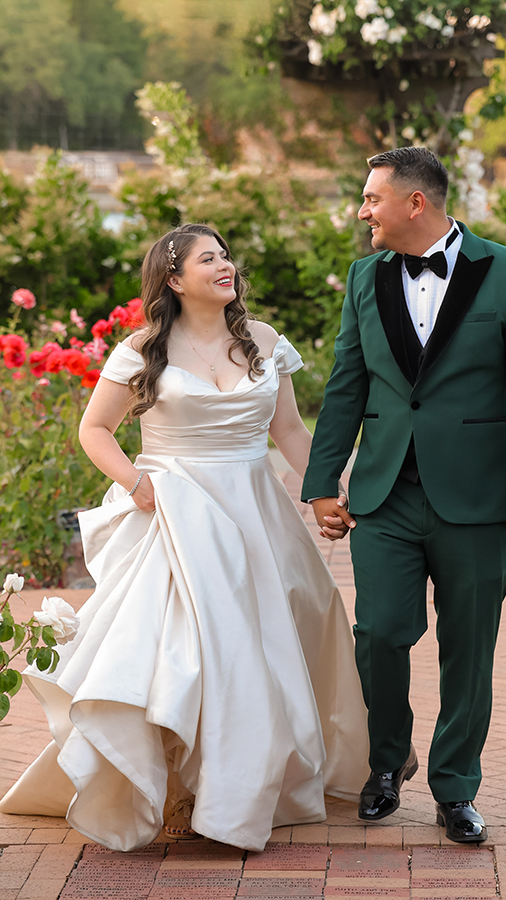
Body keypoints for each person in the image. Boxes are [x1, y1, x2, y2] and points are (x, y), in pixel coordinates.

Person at [0, 223, 369, 852]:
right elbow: (94, 430)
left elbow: (289, 431)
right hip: (174, 510)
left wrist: (328, 490)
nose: (225, 266)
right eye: (208, 259)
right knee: (184, 648)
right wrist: (135, 483)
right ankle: (176, 784)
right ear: (173, 278)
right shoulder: (143, 349)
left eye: (226, 256)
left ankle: (242, 786)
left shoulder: (263, 342)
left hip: (256, 512)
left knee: (273, 637)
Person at [301, 147, 506, 843]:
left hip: (480, 497)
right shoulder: (365, 277)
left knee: (468, 647)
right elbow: (346, 384)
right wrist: (323, 483)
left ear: (416, 203)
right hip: (385, 494)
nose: (362, 211)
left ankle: (456, 788)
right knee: (379, 633)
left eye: (372, 198)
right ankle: (387, 763)